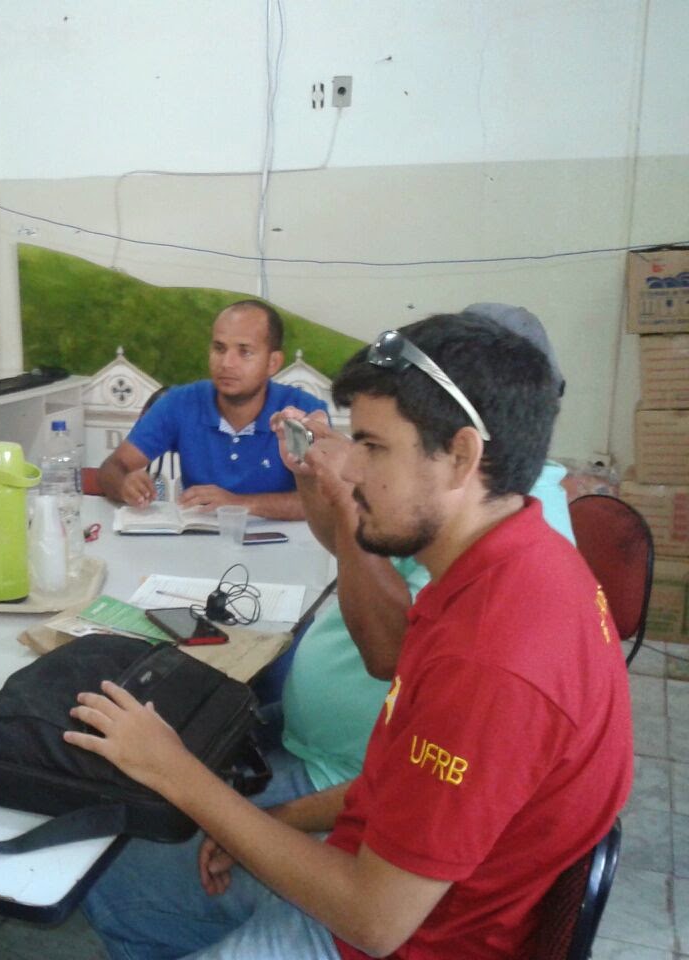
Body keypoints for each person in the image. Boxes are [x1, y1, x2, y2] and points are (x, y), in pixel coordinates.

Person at [76, 313, 633, 959]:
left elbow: (374, 921)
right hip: (387, 862)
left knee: (133, 857)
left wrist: (176, 773)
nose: (352, 469)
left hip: (403, 935)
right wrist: (275, 819)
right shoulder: (511, 555)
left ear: (461, 457)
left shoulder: (493, 659)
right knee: (120, 881)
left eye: (372, 446)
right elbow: (400, 775)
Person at [260, 302, 576, 794]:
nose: (355, 465)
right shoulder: (461, 496)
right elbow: (356, 545)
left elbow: (391, 654)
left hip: (348, 776)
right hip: (324, 750)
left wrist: (346, 494)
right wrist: (315, 476)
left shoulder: (500, 545)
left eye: (375, 446)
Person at [98, 300, 326, 520]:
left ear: (272, 363)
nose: (226, 363)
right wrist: (124, 484)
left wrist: (239, 504)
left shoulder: (301, 412)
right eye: (219, 348)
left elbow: (323, 499)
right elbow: (112, 468)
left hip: (287, 542)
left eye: (245, 352)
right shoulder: (180, 403)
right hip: (200, 539)